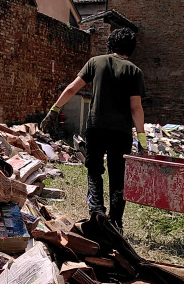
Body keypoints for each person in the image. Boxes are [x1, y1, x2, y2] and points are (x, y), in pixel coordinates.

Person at [41, 26, 147, 228]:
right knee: (118, 176)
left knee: (94, 170)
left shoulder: (95, 62)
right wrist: (141, 140)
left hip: (96, 128)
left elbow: (72, 88)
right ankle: (116, 222)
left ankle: (97, 211)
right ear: (131, 48)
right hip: (121, 132)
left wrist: (54, 110)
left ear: (110, 45)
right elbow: (136, 108)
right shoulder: (134, 71)